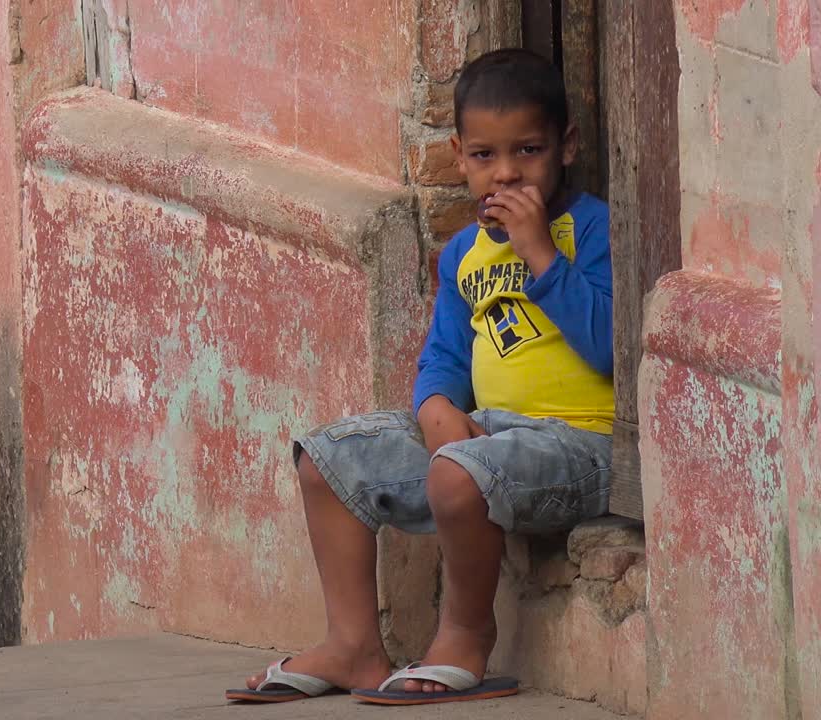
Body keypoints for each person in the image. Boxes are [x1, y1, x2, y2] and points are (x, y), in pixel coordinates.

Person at [226, 48, 613, 707]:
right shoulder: (464, 254)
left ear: (566, 146)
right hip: (486, 439)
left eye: (529, 151)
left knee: (458, 471)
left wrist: (542, 255)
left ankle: (464, 634)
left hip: (576, 446)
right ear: (459, 156)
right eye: (485, 156)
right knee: (330, 460)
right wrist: (434, 403)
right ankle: (352, 645)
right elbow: (445, 356)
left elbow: (609, 348)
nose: (507, 173)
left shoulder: (597, 229)